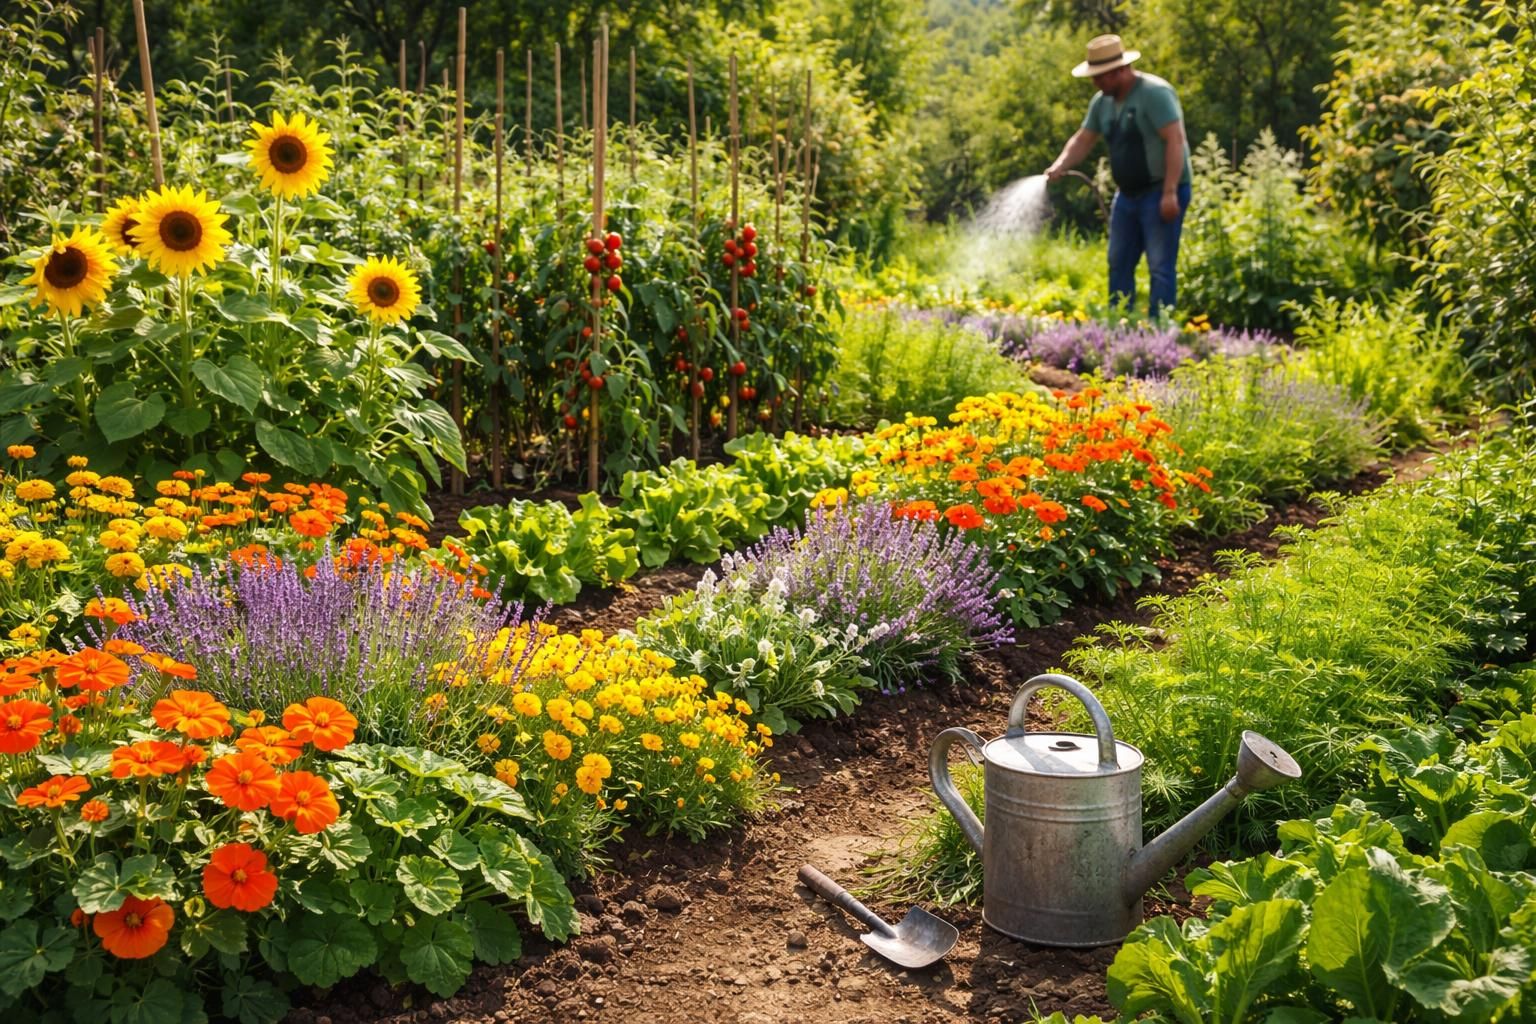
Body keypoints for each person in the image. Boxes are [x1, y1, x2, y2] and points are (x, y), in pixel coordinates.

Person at [1045, 35, 1192, 316]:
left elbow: (1175, 140)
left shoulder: (1155, 94)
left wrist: (1170, 191)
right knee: (1118, 260)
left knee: (1160, 266)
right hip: (1127, 195)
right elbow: (1083, 139)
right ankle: (1119, 323)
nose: (1095, 83)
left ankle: (1160, 331)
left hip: (1162, 190)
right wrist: (1060, 164)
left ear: (1120, 71)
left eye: (1100, 77)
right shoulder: (1102, 103)